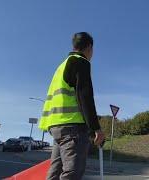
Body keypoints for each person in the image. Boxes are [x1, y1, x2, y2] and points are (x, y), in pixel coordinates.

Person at [39, 32, 105, 180]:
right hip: (72, 128)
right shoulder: (80, 62)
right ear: (89, 47)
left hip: (56, 127)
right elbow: (84, 96)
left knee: (55, 173)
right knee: (72, 173)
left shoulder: (61, 66)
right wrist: (96, 128)